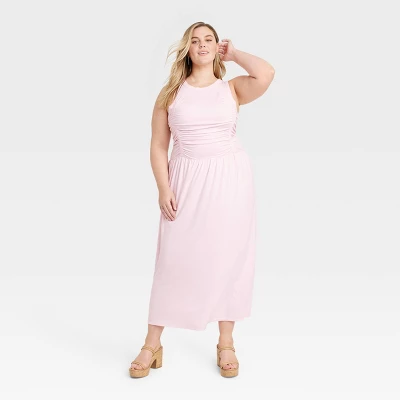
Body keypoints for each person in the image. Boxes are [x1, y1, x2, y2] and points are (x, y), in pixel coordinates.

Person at [129, 21, 275, 378]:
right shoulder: (170, 93)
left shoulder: (231, 89)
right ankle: (152, 343)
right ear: (187, 49)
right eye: (195, 40)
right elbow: (158, 145)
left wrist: (235, 53)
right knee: (173, 261)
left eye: (209, 39)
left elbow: (267, 73)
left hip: (230, 180)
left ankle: (226, 343)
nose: (203, 45)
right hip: (186, 180)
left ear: (216, 47)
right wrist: (164, 188)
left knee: (229, 257)